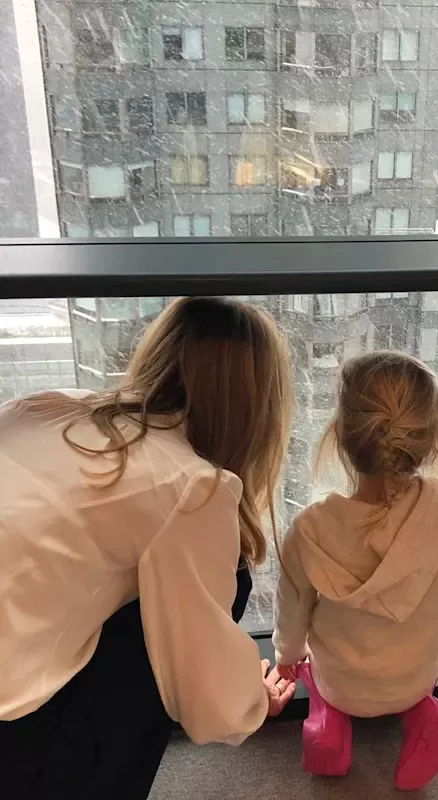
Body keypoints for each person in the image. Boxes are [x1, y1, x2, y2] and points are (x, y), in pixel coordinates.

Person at [0, 297, 298, 800]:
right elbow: (207, 703)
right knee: (223, 581)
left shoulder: (44, 406)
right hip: (13, 744)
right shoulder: (192, 485)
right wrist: (251, 697)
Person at [272, 351, 438, 791]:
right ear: (428, 437)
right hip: (413, 676)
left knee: (313, 665)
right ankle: (425, 712)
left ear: (340, 435)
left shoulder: (310, 528)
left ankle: (327, 726)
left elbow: (291, 610)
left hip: (341, 682)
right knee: (421, 658)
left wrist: (288, 656)